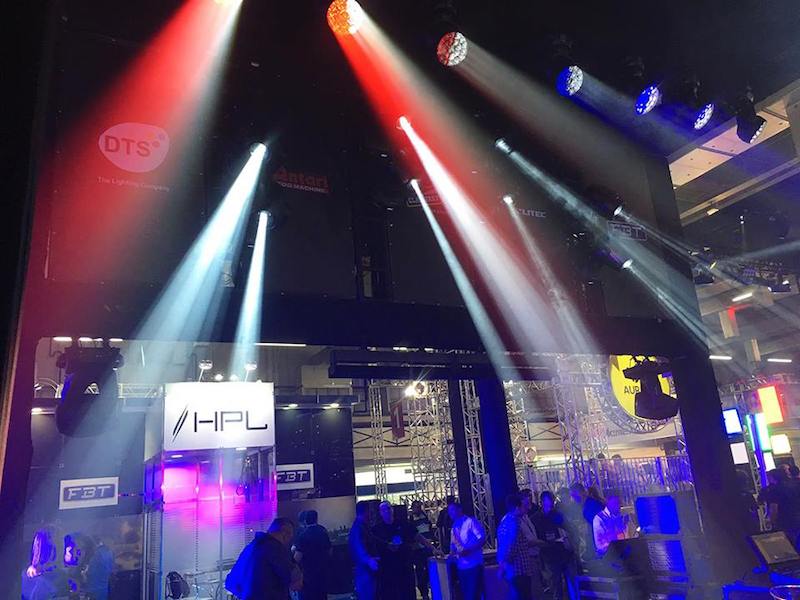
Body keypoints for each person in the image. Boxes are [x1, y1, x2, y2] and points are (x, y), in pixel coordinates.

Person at [225, 517, 300, 600]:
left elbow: (231, 581)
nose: (288, 541)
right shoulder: (276, 549)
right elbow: (292, 579)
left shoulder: (251, 547)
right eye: (290, 536)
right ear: (285, 534)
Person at [497, 493, 544, 600]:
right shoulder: (513, 523)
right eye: (523, 506)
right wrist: (503, 565)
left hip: (518, 570)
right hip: (518, 570)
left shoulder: (508, 521)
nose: (526, 508)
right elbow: (511, 547)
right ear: (517, 507)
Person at [534, 491, 575, 600]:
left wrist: (567, 536)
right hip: (549, 555)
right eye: (549, 500)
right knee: (555, 584)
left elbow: (569, 528)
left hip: (563, 553)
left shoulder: (557, 514)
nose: (552, 502)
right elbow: (536, 537)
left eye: (552, 499)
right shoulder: (536, 518)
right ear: (542, 502)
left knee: (570, 583)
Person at [449, 501, 487, 600]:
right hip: (461, 566)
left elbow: (482, 539)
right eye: (449, 511)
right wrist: (452, 554)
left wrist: (469, 550)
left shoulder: (470, 522)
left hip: (474, 564)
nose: (450, 513)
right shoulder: (454, 527)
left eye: (452, 510)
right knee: (466, 596)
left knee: (474, 595)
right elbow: (453, 545)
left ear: (459, 509)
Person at [293, 510, 332, 600]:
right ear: (316, 518)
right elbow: (330, 550)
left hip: (308, 574)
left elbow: (297, 557)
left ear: (305, 520)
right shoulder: (322, 531)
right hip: (322, 572)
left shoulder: (303, 535)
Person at [22, 527, 68, 600]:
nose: (52, 552)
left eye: (57, 547)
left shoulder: (61, 577)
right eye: (48, 547)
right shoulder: (24, 578)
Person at [349, 500, 379, 600]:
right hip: (364, 571)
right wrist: (369, 560)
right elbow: (359, 547)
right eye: (370, 511)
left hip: (364, 570)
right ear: (366, 511)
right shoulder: (359, 528)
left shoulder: (361, 526)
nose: (371, 514)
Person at [410, 500, 435, 600]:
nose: (418, 509)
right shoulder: (411, 519)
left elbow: (429, 529)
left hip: (427, 547)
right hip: (418, 549)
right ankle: (423, 591)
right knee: (420, 571)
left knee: (428, 570)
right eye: (416, 507)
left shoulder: (425, 516)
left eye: (419, 507)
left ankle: (428, 589)